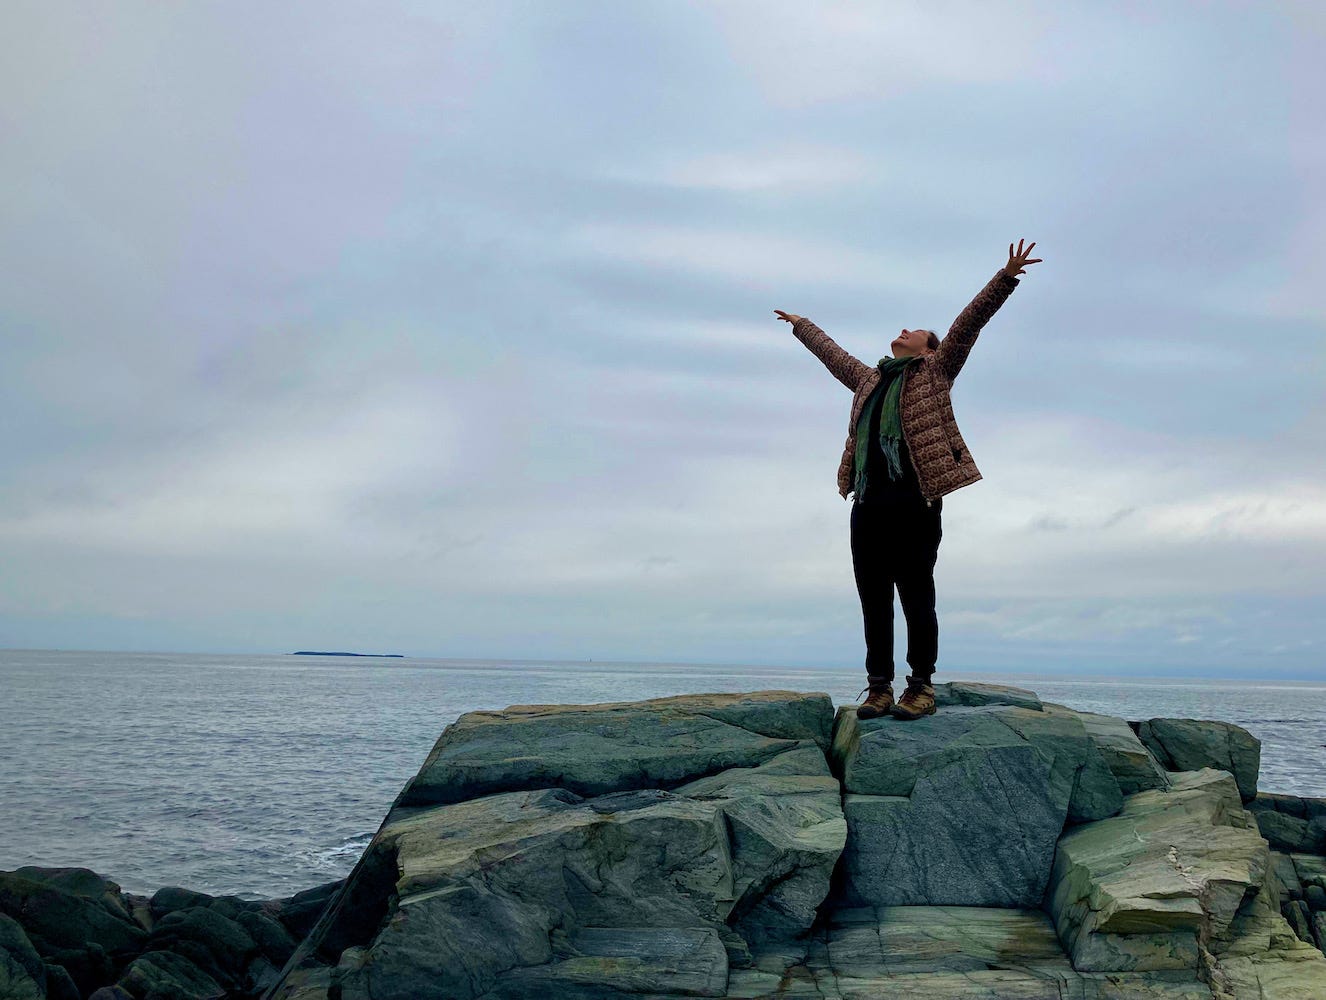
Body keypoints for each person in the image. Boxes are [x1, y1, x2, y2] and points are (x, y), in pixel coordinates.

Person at [776, 239, 1042, 721]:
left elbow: (967, 325)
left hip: (915, 501)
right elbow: (833, 355)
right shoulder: (870, 380)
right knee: (873, 599)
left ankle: (920, 687)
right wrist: (802, 326)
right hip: (868, 503)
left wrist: (1005, 278)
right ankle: (878, 688)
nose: (902, 331)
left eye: (913, 329)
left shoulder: (936, 372)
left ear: (929, 348)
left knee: (917, 596)